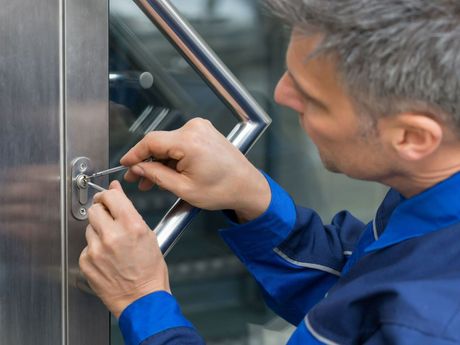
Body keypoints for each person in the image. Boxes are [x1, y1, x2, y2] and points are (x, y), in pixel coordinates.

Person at [79, 0, 460, 344]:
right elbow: (353, 308)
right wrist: (254, 199)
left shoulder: (430, 326)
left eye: (313, 99)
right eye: (289, 73)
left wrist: (143, 300)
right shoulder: (430, 196)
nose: (279, 95)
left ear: (413, 137)